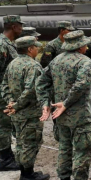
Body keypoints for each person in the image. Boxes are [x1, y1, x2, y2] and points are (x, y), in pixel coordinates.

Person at [36, 30, 91, 180]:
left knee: (64, 149)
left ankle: (63, 177)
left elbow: (41, 82)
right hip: (80, 117)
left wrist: (45, 103)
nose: (86, 48)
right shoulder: (85, 62)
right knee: (82, 151)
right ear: (80, 47)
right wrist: (67, 103)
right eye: (84, 45)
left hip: (60, 117)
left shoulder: (56, 60)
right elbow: (81, 85)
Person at [1, 36, 49, 180]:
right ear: (29, 49)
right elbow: (30, 91)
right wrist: (17, 105)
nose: (38, 49)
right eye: (35, 46)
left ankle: (25, 171)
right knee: (31, 143)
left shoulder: (13, 63)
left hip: (16, 112)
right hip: (30, 112)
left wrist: (10, 102)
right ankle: (27, 175)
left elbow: (3, 85)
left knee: (21, 142)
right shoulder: (33, 66)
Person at [0, 15, 24, 172]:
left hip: (5, 91)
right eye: (20, 26)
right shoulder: (2, 45)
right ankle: (4, 159)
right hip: (1, 93)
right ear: (14, 27)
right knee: (3, 126)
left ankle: (6, 155)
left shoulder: (9, 44)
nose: (22, 29)